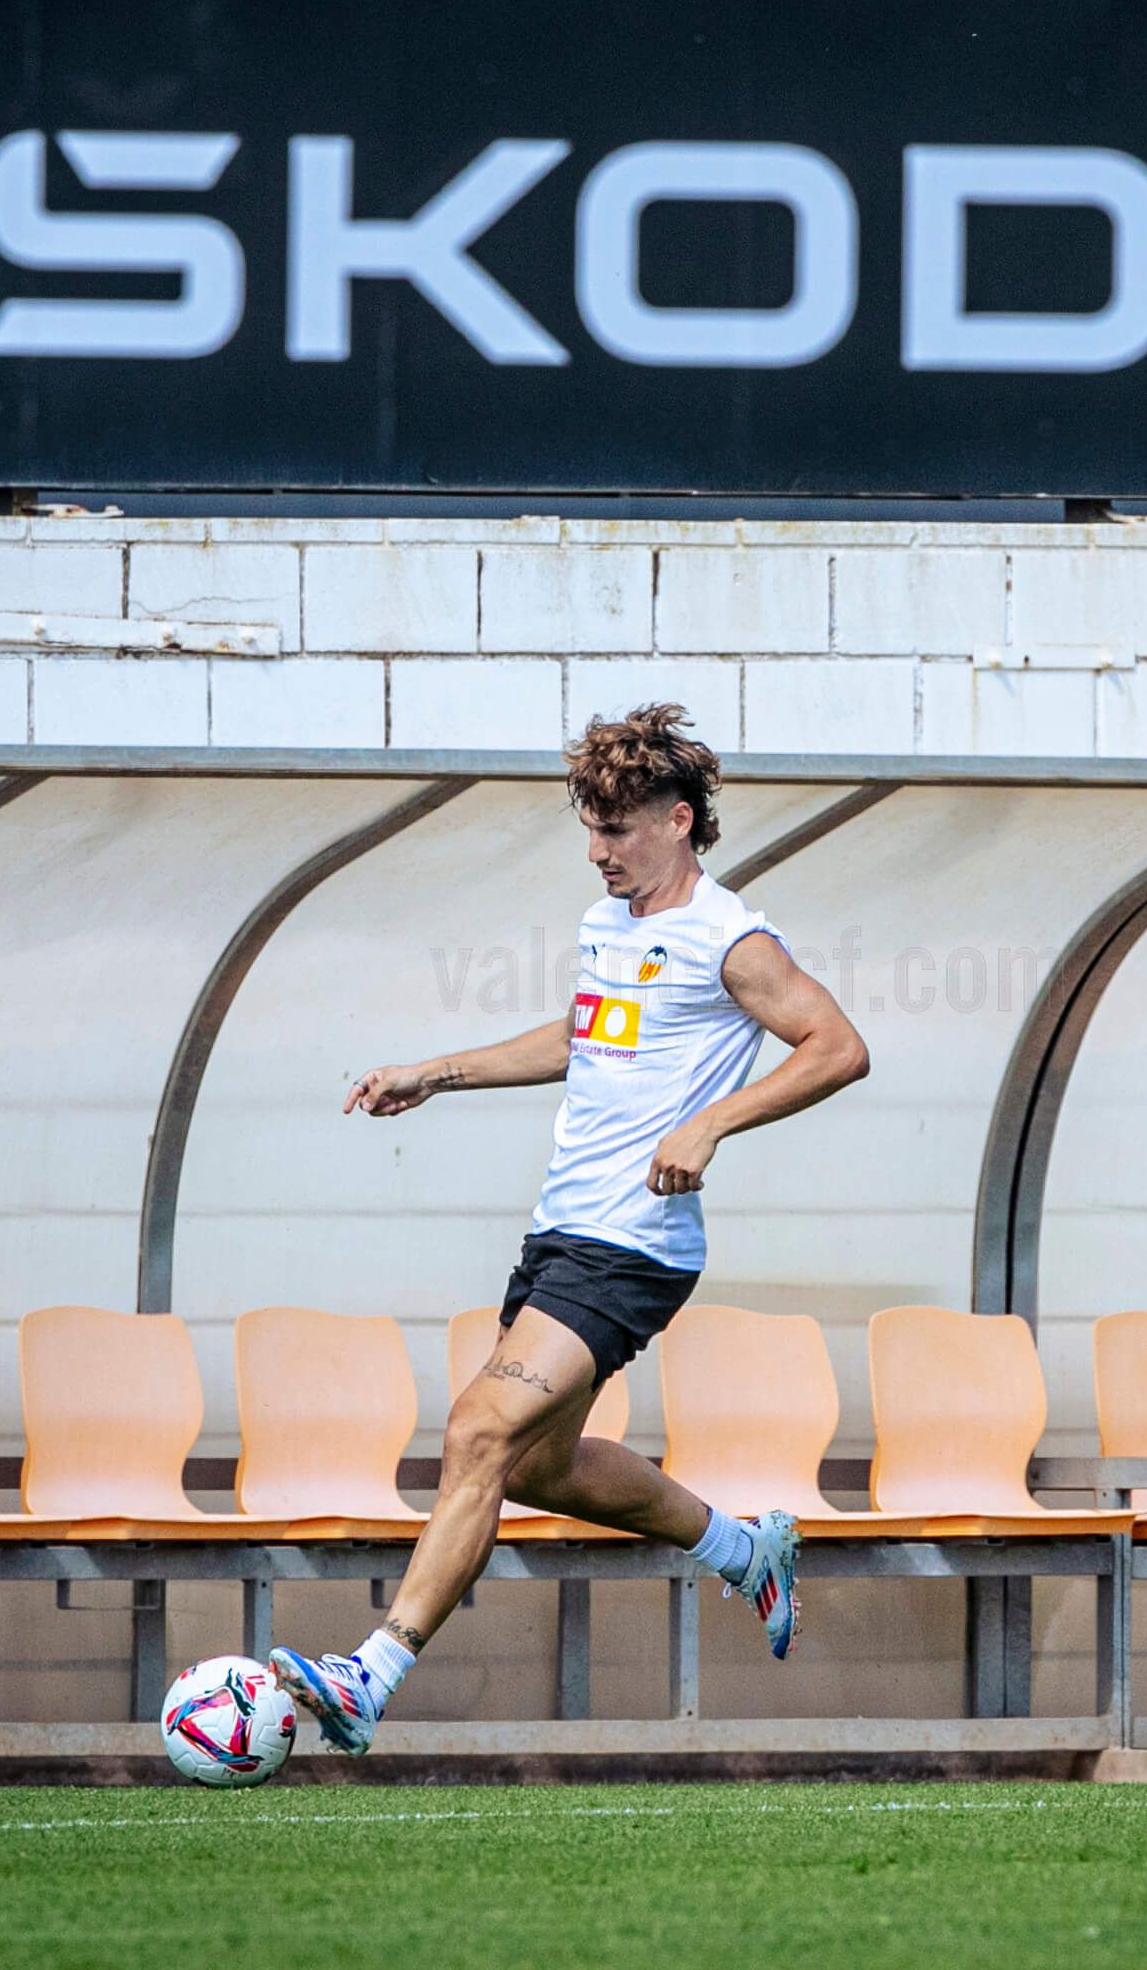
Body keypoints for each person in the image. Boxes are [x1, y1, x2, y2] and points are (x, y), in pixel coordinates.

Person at [269, 702, 871, 1754]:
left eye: (618, 828)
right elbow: (583, 1033)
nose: (597, 851)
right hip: (563, 1232)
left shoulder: (731, 936)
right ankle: (743, 1549)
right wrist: (436, 1070)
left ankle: (371, 1674)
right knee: (539, 1467)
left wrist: (712, 1120)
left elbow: (836, 1044)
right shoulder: (615, 928)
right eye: (588, 828)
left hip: (632, 1241)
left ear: (679, 819)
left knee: (476, 1432)